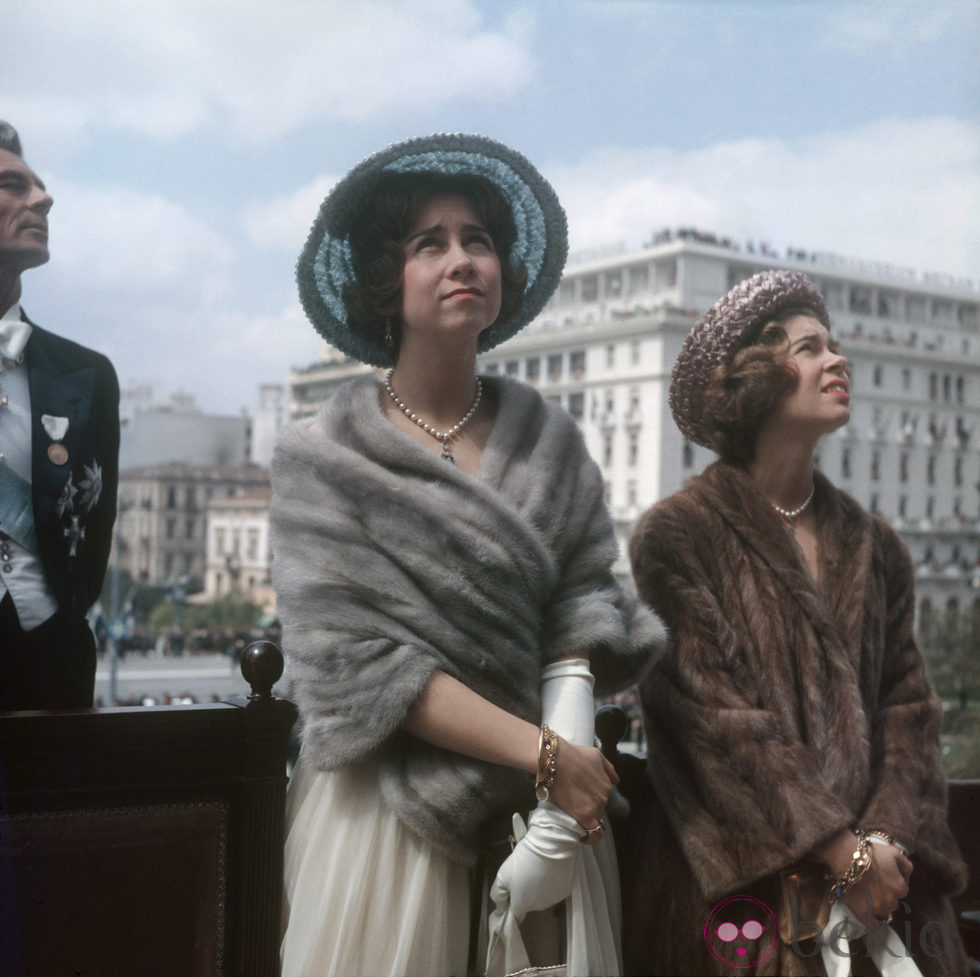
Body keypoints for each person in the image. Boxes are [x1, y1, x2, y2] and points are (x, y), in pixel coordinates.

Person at [271, 133, 665, 977]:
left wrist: (561, 798)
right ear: (388, 277)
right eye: (430, 243)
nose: (462, 260)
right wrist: (551, 756)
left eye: (477, 239)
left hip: (546, 814)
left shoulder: (548, 438)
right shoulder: (324, 453)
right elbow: (360, 666)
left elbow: (582, 610)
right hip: (390, 823)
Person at [621, 269, 968, 976]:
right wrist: (838, 849)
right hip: (734, 905)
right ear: (754, 378)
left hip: (875, 902)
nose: (838, 360)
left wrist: (882, 839)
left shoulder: (878, 544)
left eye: (834, 346)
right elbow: (714, 723)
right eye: (811, 348)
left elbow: (910, 710)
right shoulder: (676, 535)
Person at [0, 120, 119, 711]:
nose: (44, 198)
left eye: (41, 186)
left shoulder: (87, 374)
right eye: (12, 184)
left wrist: (57, 612)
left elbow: (93, 536)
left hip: (48, 669)